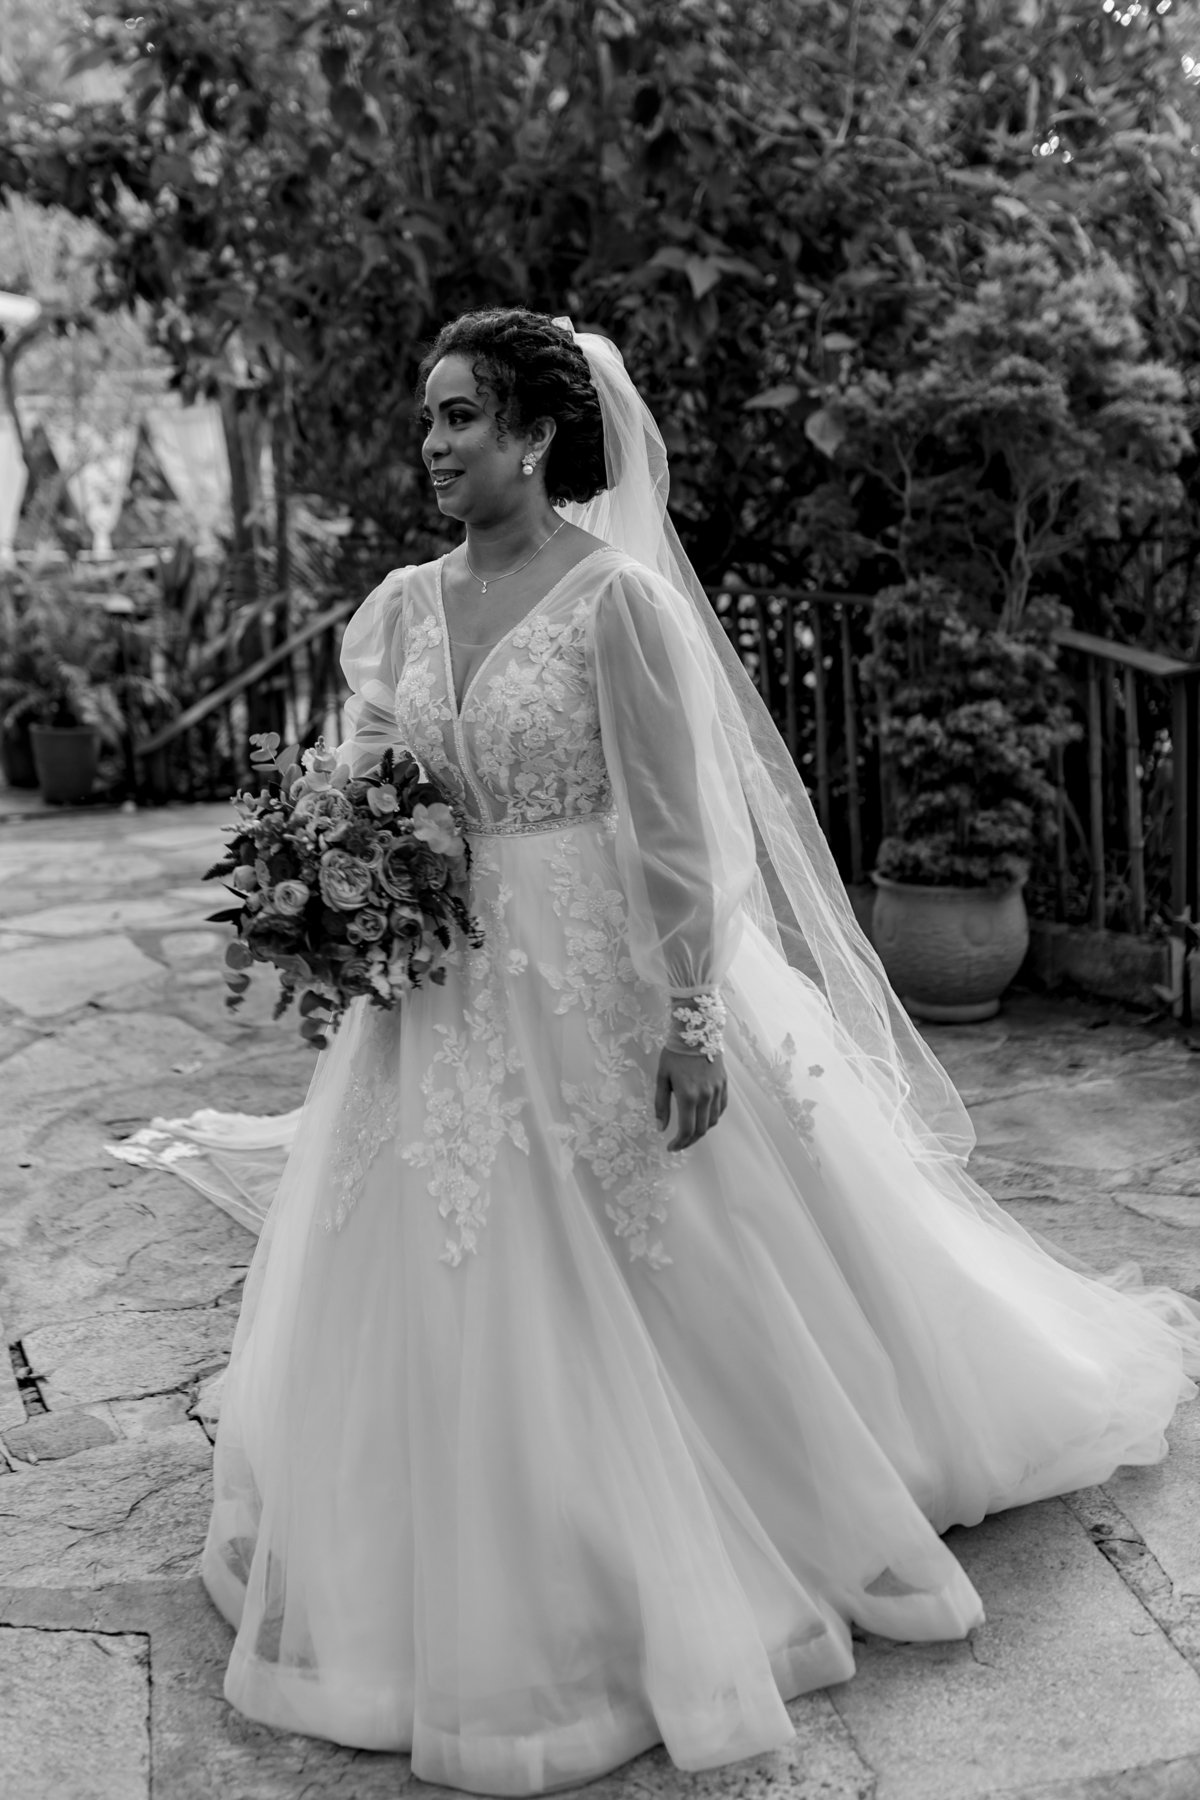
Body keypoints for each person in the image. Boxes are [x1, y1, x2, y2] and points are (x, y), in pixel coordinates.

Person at [198, 308, 1200, 1795]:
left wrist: (686, 1021)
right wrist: (328, 875)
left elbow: (673, 834)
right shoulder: (400, 607)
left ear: (537, 434)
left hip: (590, 972)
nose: (434, 445)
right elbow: (367, 778)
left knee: (664, 1248)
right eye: (428, 419)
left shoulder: (615, 605)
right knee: (427, 1253)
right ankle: (451, 1539)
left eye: (461, 417)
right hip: (441, 984)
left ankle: (732, 1507)